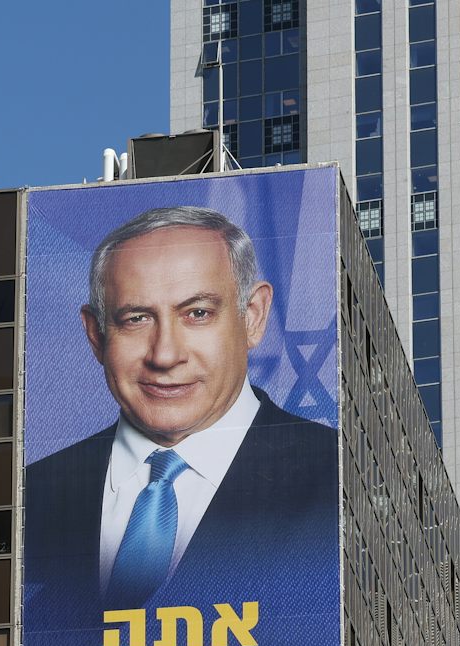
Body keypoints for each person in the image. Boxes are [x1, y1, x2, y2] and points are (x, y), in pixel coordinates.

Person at [22, 205, 338, 618]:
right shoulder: (27, 499)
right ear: (96, 334)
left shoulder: (338, 474)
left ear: (253, 317)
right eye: (136, 319)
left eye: (197, 314)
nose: (165, 355)